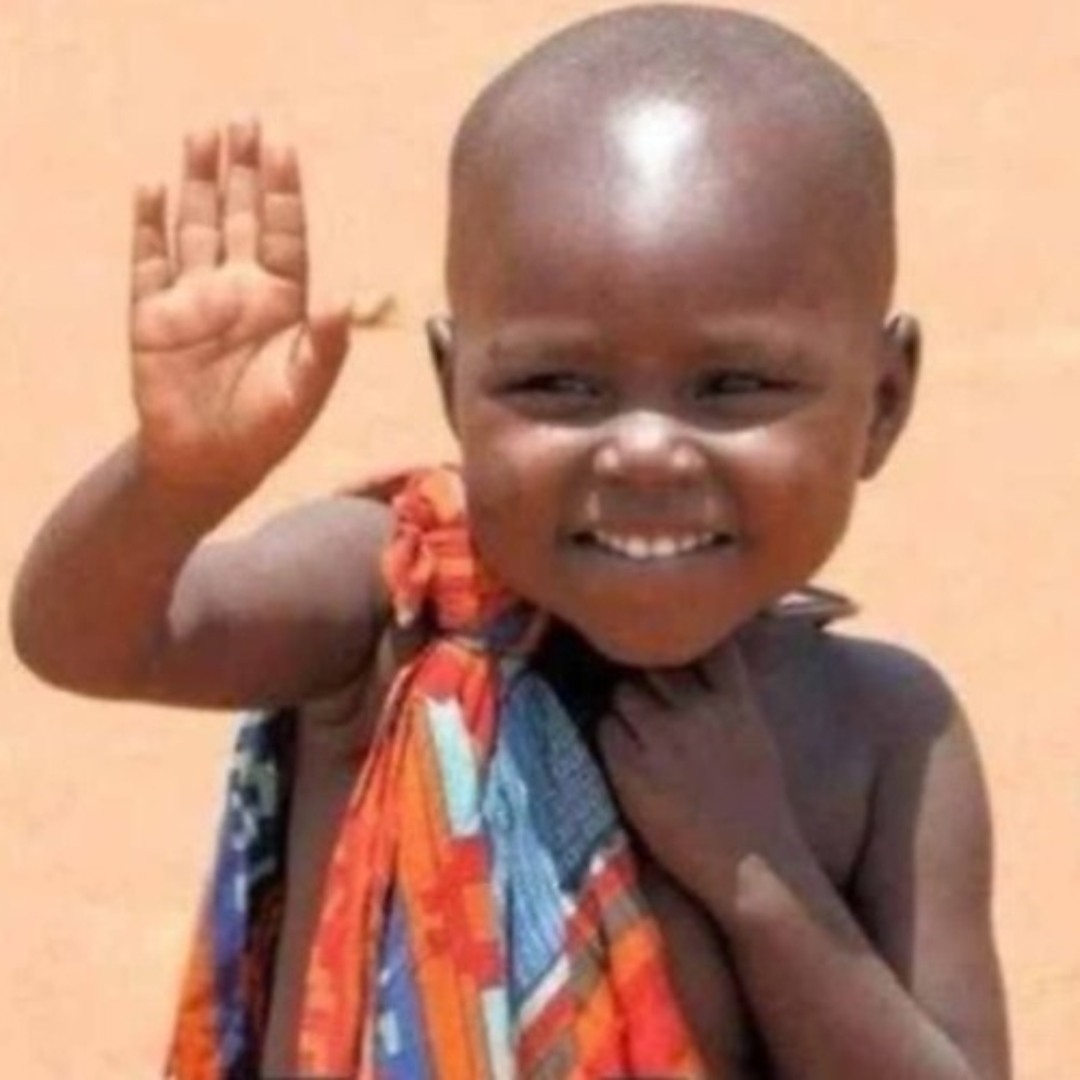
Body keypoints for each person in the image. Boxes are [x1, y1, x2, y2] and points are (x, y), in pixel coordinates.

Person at [10, 5, 1010, 1078]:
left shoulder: (882, 733)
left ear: (883, 401)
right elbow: (89, 641)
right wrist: (176, 482)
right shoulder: (391, 603)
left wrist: (758, 873)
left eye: (734, 385)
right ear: (455, 386)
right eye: (558, 385)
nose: (643, 453)